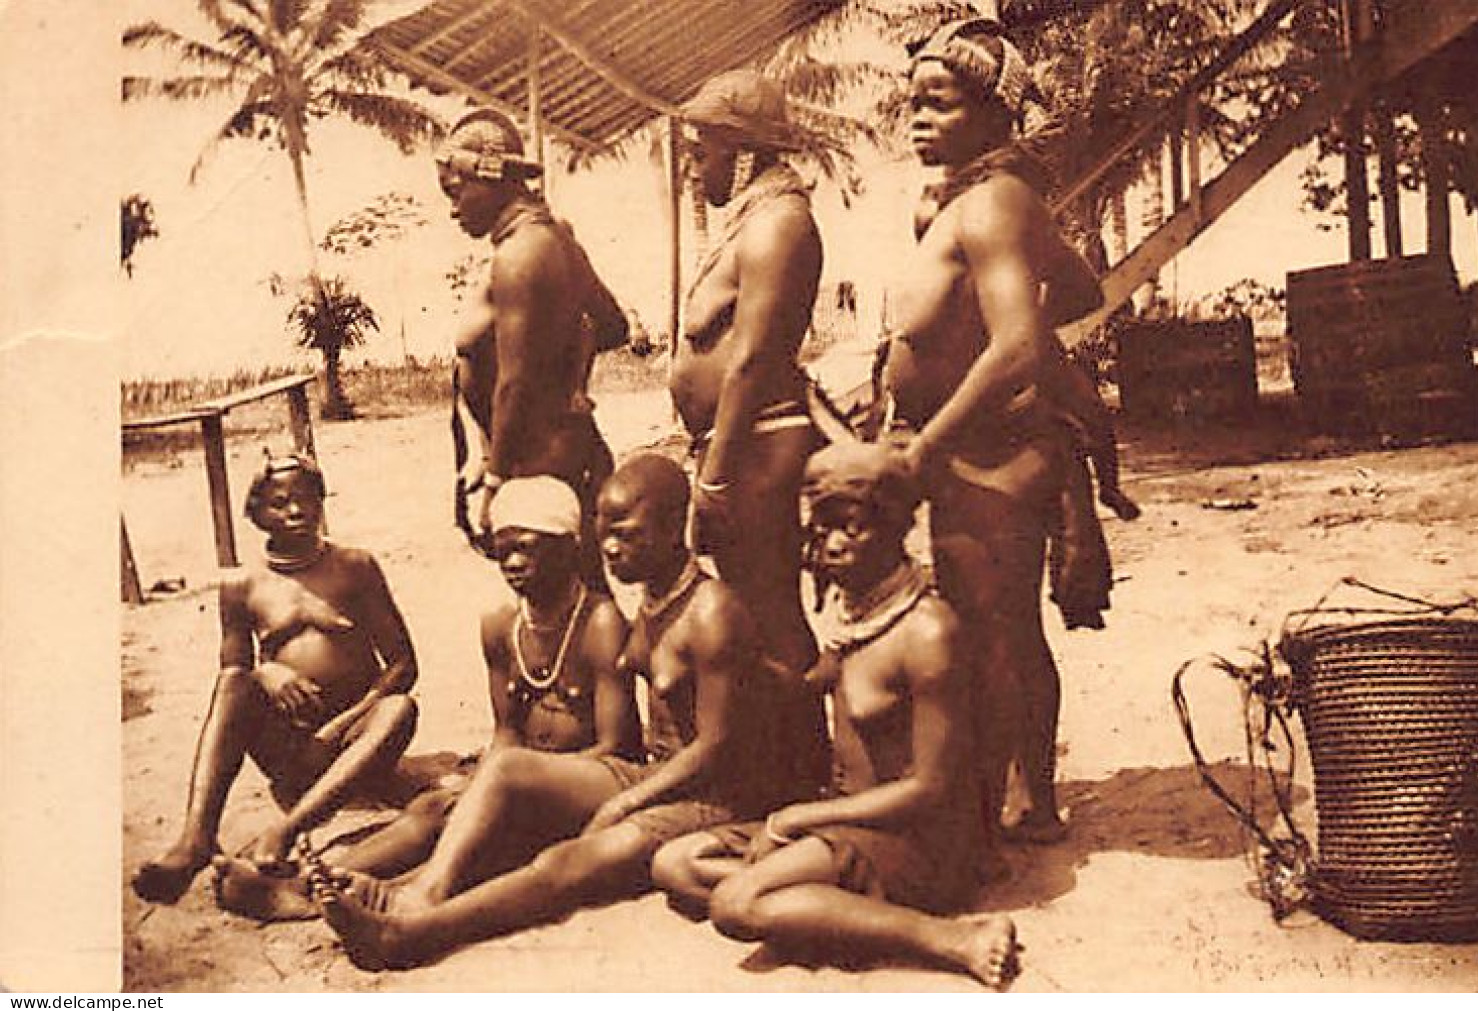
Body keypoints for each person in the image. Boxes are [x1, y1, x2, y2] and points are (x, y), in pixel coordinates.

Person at [309, 455, 811, 969]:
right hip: (658, 775)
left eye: (629, 535)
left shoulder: (711, 612)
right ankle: (408, 891)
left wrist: (626, 802)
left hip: (716, 796)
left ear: (671, 528)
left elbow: (715, 748)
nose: (612, 547)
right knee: (490, 787)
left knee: (566, 862)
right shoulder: (654, 597)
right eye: (604, 531)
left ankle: (415, 929)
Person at [651, 441, 1018, 989]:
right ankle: (822, 906)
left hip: (919, 842)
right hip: (849, 822)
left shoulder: (927, 632)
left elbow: (932, 788)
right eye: (820, 530)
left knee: (735, 903)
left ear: (895, 527)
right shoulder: (856, 616)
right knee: (674, 862)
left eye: (851, 527)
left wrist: (798, 819)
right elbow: (807, 690)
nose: (832, 544)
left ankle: (951, 938)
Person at [212, 475, 636, 921]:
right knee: (435, 808)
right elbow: (508, 732)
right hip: (522, 776)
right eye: (501, 549)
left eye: (526, 548)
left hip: (589, 780)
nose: (511, 562)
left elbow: (615, 745)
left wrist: (515, 783)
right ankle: (308, 880)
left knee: (489, 823)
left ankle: (401, 894)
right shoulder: (501, 623)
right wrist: (482, 789)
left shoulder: (600, 622)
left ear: (568, 548)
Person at [880, 17, 1098, 845]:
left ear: (993, 113)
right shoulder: (970, 204)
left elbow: (1014, 342)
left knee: (1000, 628)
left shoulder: (995, 203)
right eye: (912, 105)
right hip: (970, 446)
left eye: (936, 104)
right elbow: (1074, 291)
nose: (917, 120)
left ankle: (1032, 803)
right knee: (985, 622)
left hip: (988, 454)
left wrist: (929, 441)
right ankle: (1007, 786)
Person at [132, 454, 419, 904]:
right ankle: (196, 839)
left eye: (307, 498)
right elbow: (234, 667)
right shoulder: (239, 585)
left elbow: (404, 665)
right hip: (288, 749)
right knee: (232, 685)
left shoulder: (355, 567)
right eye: (280, 502)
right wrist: (266, 672)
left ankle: (289, 828)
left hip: (354, 745)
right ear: (255, 513)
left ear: (322, 501)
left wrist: (342, 725)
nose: (296, 511)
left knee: (399, 708)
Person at [671, 70, 832, 798]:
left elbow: (752, 359)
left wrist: (714, 474)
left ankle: (801, 779)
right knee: (747, 609)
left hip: (758, 442)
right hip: (740, 443)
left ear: (740, 150)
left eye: (701, 150)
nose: (692, 165)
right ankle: (775, 773)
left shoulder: (779, 223)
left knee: (769, 610)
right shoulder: (751, 218)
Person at [437, 109, 626, 584]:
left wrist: (496, 479)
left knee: (562, 602)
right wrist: (568, 371)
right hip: (561, 449)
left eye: (456, 193)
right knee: (577, 594)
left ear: (494, 181)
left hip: (538, 460)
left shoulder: (520, 254)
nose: (453, 210)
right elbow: (611, 326)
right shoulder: (555, 240)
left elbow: (514, 383)